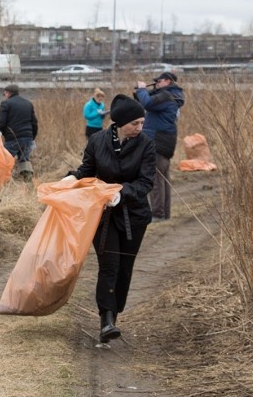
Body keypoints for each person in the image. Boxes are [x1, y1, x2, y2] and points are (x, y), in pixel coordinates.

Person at [63, 94, 155, 343]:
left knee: (124, 269)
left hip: (133, 217)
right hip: (102, 216)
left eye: (142, 122)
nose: (140, 127)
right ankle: (106, 320)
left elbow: (146, 182)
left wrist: (122, 192)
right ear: (120, 123)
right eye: (135, 123)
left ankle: (115, 312)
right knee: (109, 266)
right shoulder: (97, 141)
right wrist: (72, 178)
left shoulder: (146, 145)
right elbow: (87, 171)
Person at [134, 71, 185, 221]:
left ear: (168, 81)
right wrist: (140, 92)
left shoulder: (166, 96)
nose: (156, 83)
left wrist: (142, 89)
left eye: (159, 81)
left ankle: (157, 214)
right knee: (163, 179)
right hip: (165, 141)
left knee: (155, 179)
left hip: (157, 142)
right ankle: (164, 214)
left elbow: (147, 103)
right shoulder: (172, 96)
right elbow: (144, 101)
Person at [0, 84, 38, 181]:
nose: (4, 95)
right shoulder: (28, 103)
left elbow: (1, 122)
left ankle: (3, 181)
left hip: (12, 138)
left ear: (8, 93)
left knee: (6, 159)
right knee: (24, 159)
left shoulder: (6, 104)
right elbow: (34, 122)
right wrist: (32, 137)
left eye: (4, 93)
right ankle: (28, 181)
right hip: (27, 137)